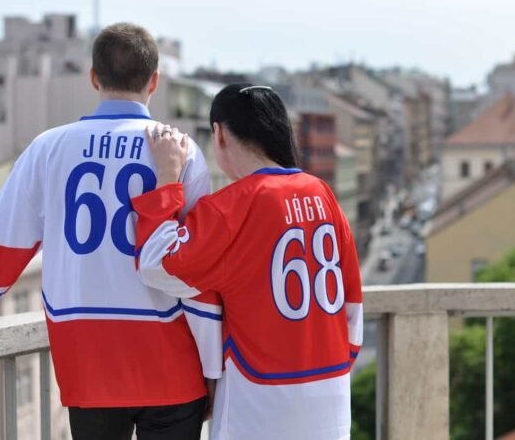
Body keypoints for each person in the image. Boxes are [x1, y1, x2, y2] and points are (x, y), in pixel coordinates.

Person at [0, 23, 222, 440]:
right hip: (172, 363)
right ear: (154, 81)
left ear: (93, 76)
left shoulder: (47, 148)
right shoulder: (182, 151)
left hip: (88, 363)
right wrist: (212, 367)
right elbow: (197, 272)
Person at [132, 83, 363, 440]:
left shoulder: (231, 206)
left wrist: (167, 177)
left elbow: (156, 263)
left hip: (260, 394)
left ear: (219, 134)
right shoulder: (322, 193)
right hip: (331, 390)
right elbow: (352, 304)